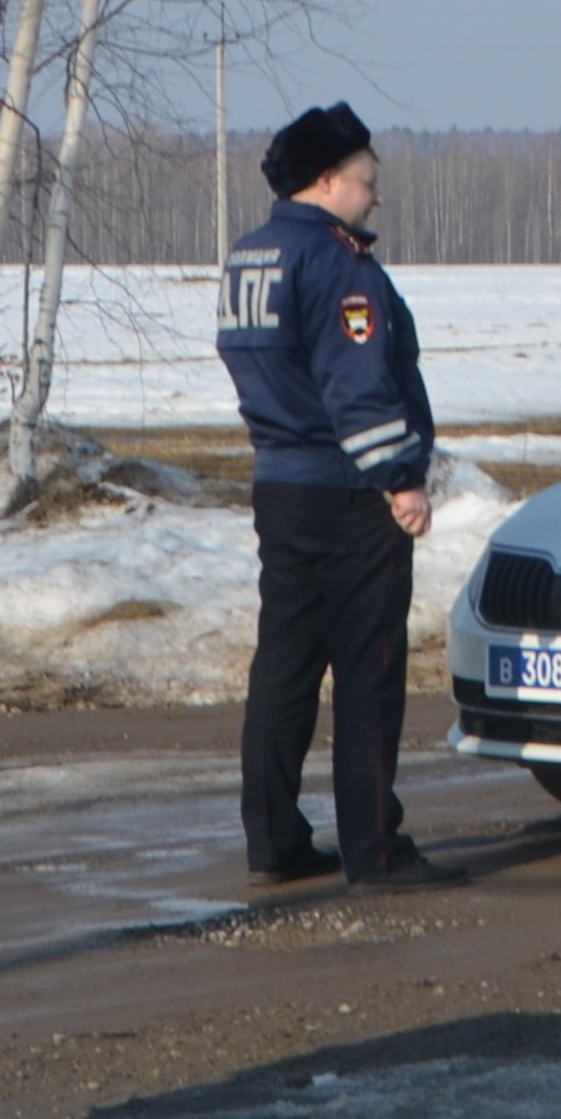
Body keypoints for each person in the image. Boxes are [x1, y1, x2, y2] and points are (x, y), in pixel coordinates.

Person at [218, 106, 453, 890]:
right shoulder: (336, 263)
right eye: (365, 182)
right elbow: (358, 387)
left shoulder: (249, 256)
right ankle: (374, 852)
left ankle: (273, 842)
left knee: (283, 667)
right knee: (367, 671)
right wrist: (403, 481)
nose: (374, 198)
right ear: (326, 182)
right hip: (349, 493)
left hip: (280, 487)